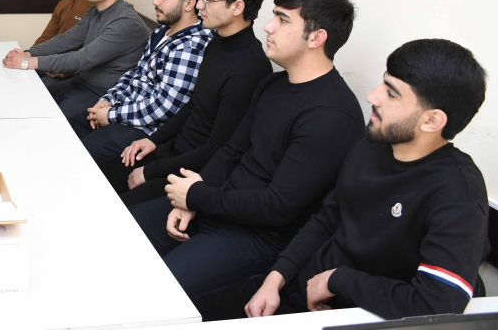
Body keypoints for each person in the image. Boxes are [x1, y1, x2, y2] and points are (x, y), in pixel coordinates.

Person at [205, 40, 490, 321]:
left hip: (347, 313)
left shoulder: (457, 194)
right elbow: (328, 217)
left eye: (391, 93)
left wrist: (337, 281)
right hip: (297, 289)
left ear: (431, 121)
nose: (372, 97)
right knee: (195, 312)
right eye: (383, 83)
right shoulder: (372, 144)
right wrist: (275, 278)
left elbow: (437, 304)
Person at [128, 0, 364, 301]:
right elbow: (231, 151)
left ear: (316, 38)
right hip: (217, 204)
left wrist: (197, 196)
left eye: (282, 19)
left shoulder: (332, 115)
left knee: (151, 292)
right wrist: (192, 200)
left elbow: (277, 207)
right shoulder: (273, 84)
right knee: (119, 236)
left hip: (258, 236)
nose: (268, 26)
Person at [98, 0, 271, 205]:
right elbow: (194, 104)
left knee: (113, 206)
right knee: (95, 179)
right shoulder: (217, 43)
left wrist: (151, 171)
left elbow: (216, 148)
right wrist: (153, 140)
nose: (199, 5)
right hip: (173, 149)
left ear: (237, 7)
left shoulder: (249, 67)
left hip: (194, 172)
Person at [80, 0, 213, 163]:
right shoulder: (161, 32)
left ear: (189, 4)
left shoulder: (191, 46)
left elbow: (165, 107)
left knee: (78, 154)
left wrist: (111, 115)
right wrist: (107, 100)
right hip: (126, 111)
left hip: (146, 131)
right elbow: (135, 74)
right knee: (71, 128)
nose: (155, 1)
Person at [3, 0, 150, 131]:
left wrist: (27, 62)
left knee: (47, 124)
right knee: (29, 100)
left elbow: (82, 59)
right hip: (81, 82)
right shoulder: (94, 12)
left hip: (102, 93)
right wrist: (29, 53)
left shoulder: (126, 22)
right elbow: (66, 40)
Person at [34, 0, 101, 84]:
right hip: (49, 65)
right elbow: (46, 38)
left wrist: (66, 71)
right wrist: (28, 54)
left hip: (71, 73)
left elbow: (94, 50)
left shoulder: (97, 7)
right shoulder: (63, 3)